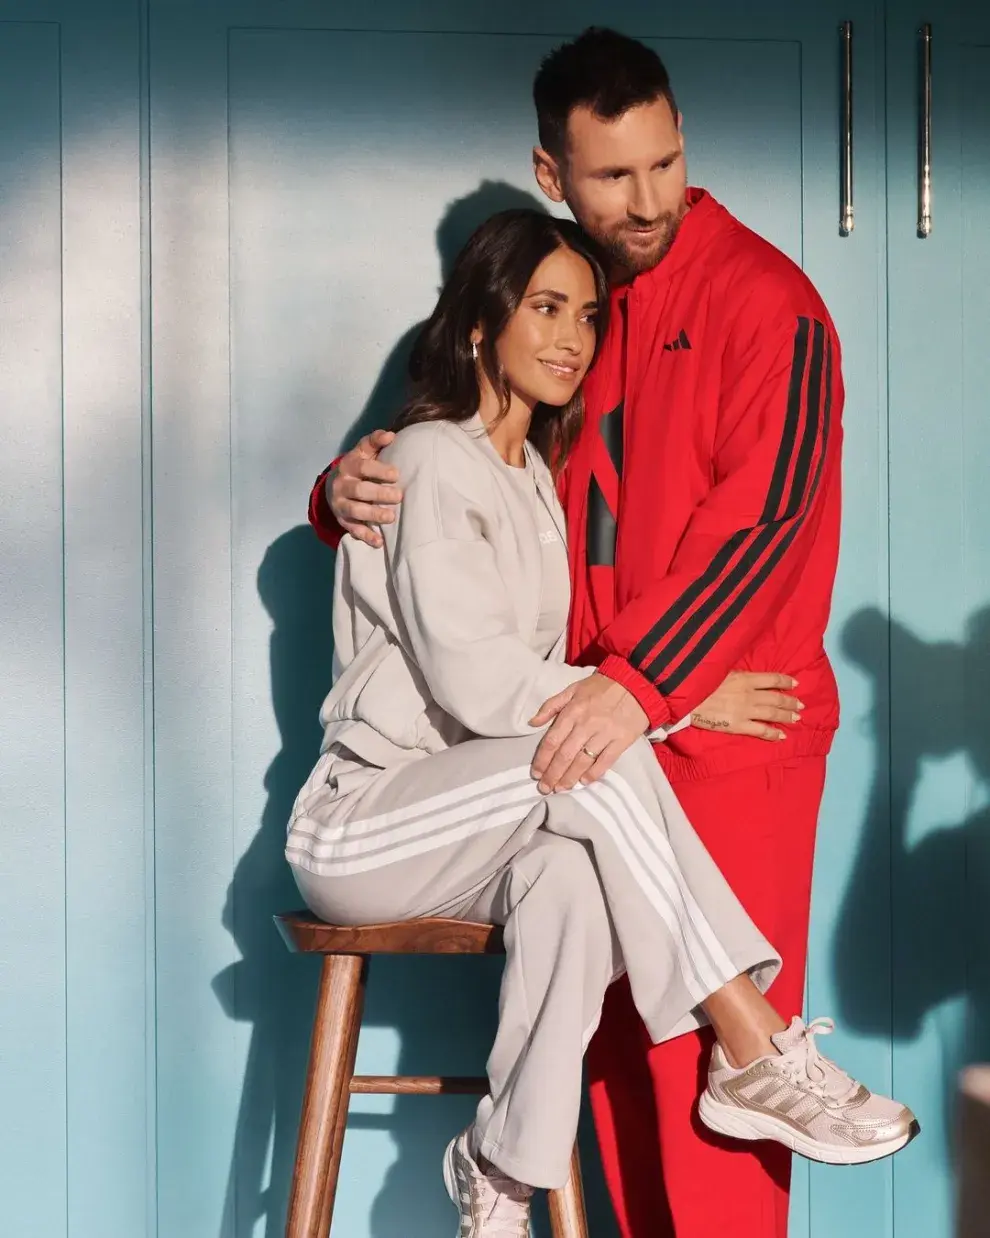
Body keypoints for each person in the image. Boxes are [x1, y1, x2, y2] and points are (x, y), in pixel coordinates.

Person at [307, 29, 888, 1238]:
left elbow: (762, 524)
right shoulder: (570, 307)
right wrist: (338, 491)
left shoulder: (767, 304)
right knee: (611, 1074)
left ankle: (756, 1043)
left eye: (666, 164)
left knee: (704, 1113)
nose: (650, 200)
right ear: (552, 169)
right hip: (591, 731)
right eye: (615, 177)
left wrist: (648, 689)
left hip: (715, 733)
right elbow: (446, 461)